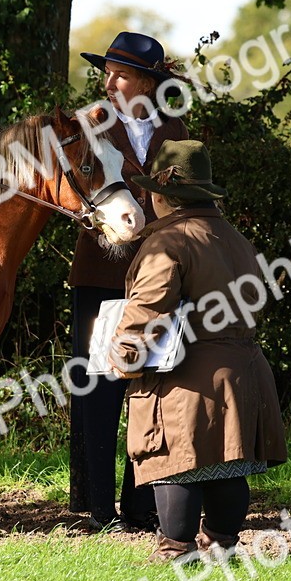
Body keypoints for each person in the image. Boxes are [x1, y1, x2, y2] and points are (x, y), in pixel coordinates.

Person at [108, 139, 287, 562]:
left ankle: (176, 549)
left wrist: (123, 355)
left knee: (177, 463)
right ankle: (222, 543)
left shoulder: (168, 242)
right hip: (242, 371)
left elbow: (148, 309)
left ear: (162, 195)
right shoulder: (237, 238)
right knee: (228, 463)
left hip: (187, 376)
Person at [67, 31, 190, 530]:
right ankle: (95, 508)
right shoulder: (89, 125)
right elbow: (70, 187)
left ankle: (142, 508)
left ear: (147, 82)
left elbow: (188, 199)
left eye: (121, 75)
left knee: (152, 385)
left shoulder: (177, 129)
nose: (109, 82)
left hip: (156, 278)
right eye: (107, 73)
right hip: (98, 273)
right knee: (97, 387)